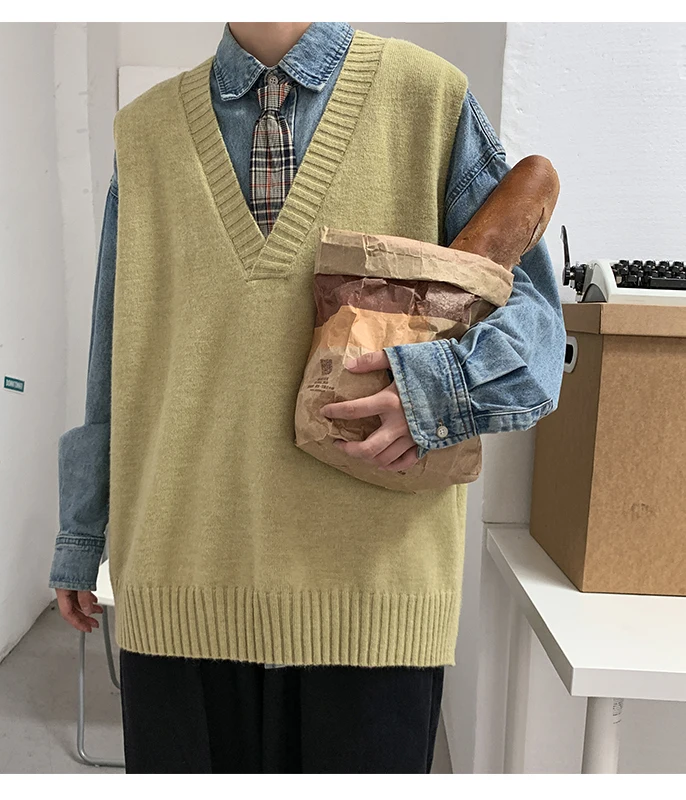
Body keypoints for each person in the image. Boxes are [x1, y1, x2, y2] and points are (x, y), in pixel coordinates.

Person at [49, 22, 565, 773]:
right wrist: (82, 531)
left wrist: (437, 391)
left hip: (373, 593)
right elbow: (116, 351)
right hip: (180, 575)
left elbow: (538, 328)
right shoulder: (146, 132)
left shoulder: (427, 98)